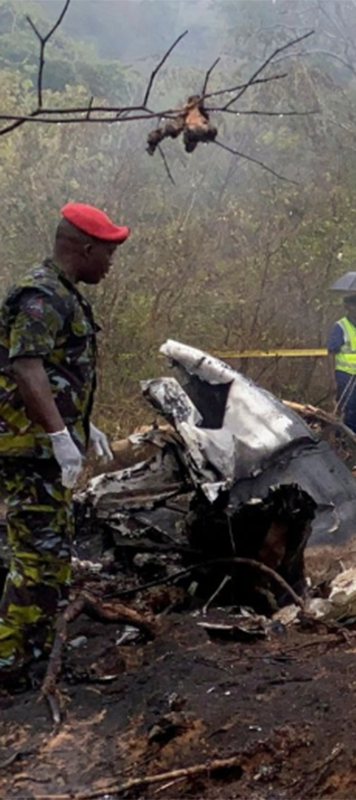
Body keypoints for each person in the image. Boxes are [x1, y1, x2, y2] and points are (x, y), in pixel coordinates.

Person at [0, 203, 126, 684]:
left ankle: (32, 659)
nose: (111, 263)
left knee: (49, 559)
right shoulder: (42, 295)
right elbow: (25, 365)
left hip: (41, 446)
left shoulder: (64, 295)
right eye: (108, 252)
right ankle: (9, 666)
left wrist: (81, 424)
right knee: (36, 561)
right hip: (29, 450)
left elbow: (55, 371)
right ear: (85, 247)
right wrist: (57, 434)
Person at [327, 294, 356, 441]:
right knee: (349, 411)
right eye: (354, 305)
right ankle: (353, 441)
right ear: (346, 307)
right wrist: (332, 378)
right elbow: (331, 352)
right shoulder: (340, 327)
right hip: (347, 375)